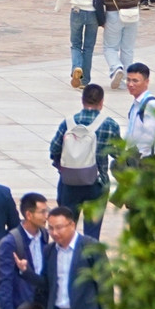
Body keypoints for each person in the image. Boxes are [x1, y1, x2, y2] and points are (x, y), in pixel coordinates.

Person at [50, 83, 122, 239]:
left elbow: (54, 149)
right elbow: (119, 154)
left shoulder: (68, 123)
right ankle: (90, 261)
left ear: (82, 101)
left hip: (69, 183)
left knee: (66, 230)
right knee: (92, 234)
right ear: (102, 102)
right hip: (97, 184)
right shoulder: (110, 125)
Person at [40, 206, 109, 309]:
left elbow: (105, 284)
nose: (54, 233)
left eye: (59, 227)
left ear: (72, 225)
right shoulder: (49, 251)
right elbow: (45, 286)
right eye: (51, 228)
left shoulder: (91, 248)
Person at [0, 192, 51, 309]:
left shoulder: (44, 235)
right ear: (29, 215)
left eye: (47, 211)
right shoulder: (11, 242)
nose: (46, 216)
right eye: (42, 212)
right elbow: (5, 282)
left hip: (41, 306)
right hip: (21, 307)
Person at [98, 0, 145, 87]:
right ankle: (127, 79)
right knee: (128, 48)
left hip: (113, 13)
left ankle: (116, 67)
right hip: (132, 13)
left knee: (110, 47)